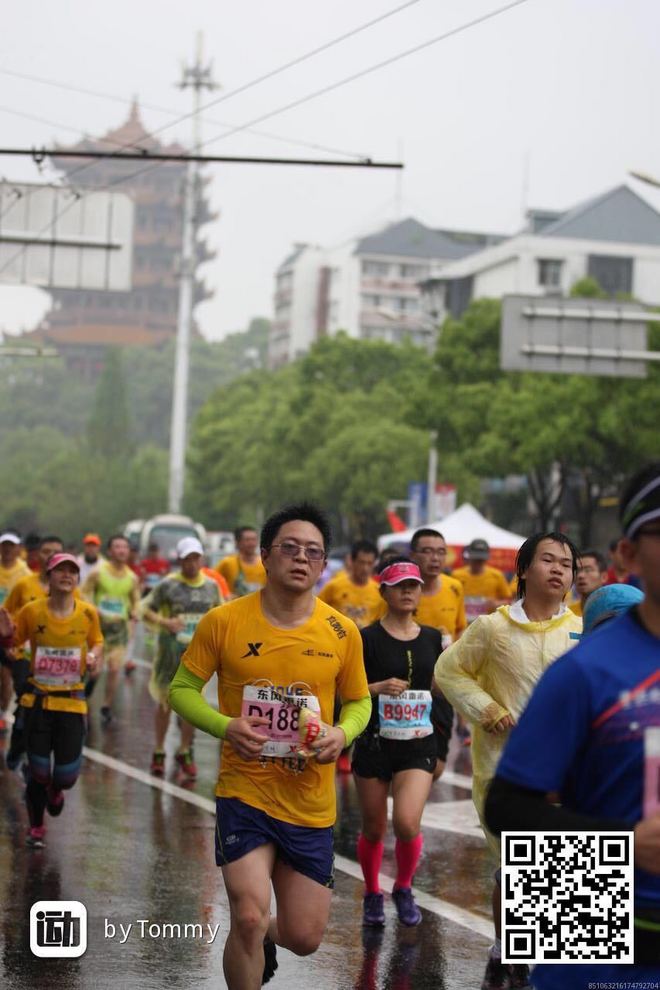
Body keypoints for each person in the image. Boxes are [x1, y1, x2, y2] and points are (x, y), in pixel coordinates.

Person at [168, 503, 371, 989]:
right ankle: (249, 935)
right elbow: (180, 689)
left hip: (309, 803)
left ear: (324, 566)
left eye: (314, 552)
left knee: (304, 937)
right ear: (265, 555)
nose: (301, 559)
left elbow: (360, 702)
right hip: (245, 793)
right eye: (290, 548)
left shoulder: (342, 632)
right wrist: (225, 726)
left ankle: (259, 940)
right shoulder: (223, 622)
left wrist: (342, 734)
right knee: (249, 915)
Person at [485, 462, 660, 989]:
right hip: (602, 940)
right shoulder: (585, 672)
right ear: (626, 556)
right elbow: (507, 808)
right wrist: (627, 843)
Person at [434, 532, 582, 990]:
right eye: (548, 560)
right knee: (518, 865)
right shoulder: (492, 629)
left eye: (567, 564)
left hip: (570, 772)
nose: (559, 570)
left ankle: (563, 962)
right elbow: (448, 671)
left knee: (570, 869)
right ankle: (512, 950)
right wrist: (487, 710)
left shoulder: (581, 630)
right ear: (522, 570)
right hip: (506, 770)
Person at [353, 557, 447, 928]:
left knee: (407, 823)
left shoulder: (432, 638)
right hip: (375, 743)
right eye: (400, 585)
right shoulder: (365, 638)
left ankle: (404, 887)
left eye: (414, 585)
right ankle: (373, 892)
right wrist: (377, 688)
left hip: (418, 744)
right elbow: (346, 690)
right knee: (374, 828)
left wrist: (443, 740)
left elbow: (442, 690)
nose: (408, 591)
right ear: (384, 592)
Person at [1, 553, 103, 847]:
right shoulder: (32, 612)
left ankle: (56, 791)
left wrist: (95, 656)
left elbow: (97, 640)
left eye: (72, 571)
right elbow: (13, 646)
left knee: (67, 776)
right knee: (39, 770)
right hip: (39, 702)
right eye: (60, 570)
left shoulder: (87, 613)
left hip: (71, 702)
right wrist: (7, 641)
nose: (67, 575)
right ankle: (36, 827)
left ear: (77, 579)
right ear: (48, 577)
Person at [143, 537, 221, 779]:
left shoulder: (211, 586)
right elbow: (144, 609)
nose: (192, 563)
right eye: (187, 559)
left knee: (191, 706)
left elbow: (220, 617)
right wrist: (165, 622)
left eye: (195, 558)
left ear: (202, 559)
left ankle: (185, 750)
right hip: (169, 655)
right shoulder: (168, 585)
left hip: (197, 657)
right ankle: (158, 750)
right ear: (180, 560)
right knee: (165, 703)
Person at [83, 534, 140, 724]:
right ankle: (88, 687)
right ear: (110, 551)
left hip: (119, 630)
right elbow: (84, 593)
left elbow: (136, 602)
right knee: (95, 671)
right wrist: (93, 608)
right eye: (117, 547)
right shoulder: (98, 572)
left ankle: (106, 706)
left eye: (125, 547)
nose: (122, 550)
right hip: (99, 629)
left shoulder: (132, 578)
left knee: (115, 669)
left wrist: (134, 614)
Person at [409, 529, 466, 645]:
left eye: (441, 552)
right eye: (427, 551)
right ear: (413, 555)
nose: (435, 558)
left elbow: (461, 628)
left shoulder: (455, 587)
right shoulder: (401, 590)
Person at [318, 540, 382, 630]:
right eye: (361, 562)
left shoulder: (379, 592)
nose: (365, 568)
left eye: (369, 563)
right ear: (352, 561)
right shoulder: (334, 586)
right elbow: (317, 610)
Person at [0, 532, 28, 734]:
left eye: (12, 546)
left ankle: (2, 714)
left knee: (6, 676)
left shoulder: (24, 574)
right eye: (4, 546)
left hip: (10, 633)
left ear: (19, 548)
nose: (8, 550)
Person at [451, 539, 511, 625]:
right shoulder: (456, 575)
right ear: (469, 556)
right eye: (476, 559)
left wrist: (497, 604)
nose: (478, 562)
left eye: (481, 559)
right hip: (463, 625)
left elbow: (508, 600)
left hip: (488, 626)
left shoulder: (497, 576)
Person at [217, 526, 267, 597]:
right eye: (247, 540)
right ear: (238, 542)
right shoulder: (228, 563)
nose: (251, 543)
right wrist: (225, 594)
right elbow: (212, 581)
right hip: (236, 606)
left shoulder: (265, 564)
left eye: (254, 539)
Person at [569, 548, 607, 617]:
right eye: (577, 571)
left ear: (604, 577)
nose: (580, 575)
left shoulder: (613, 611)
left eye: (588, 570)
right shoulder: (568, 613)